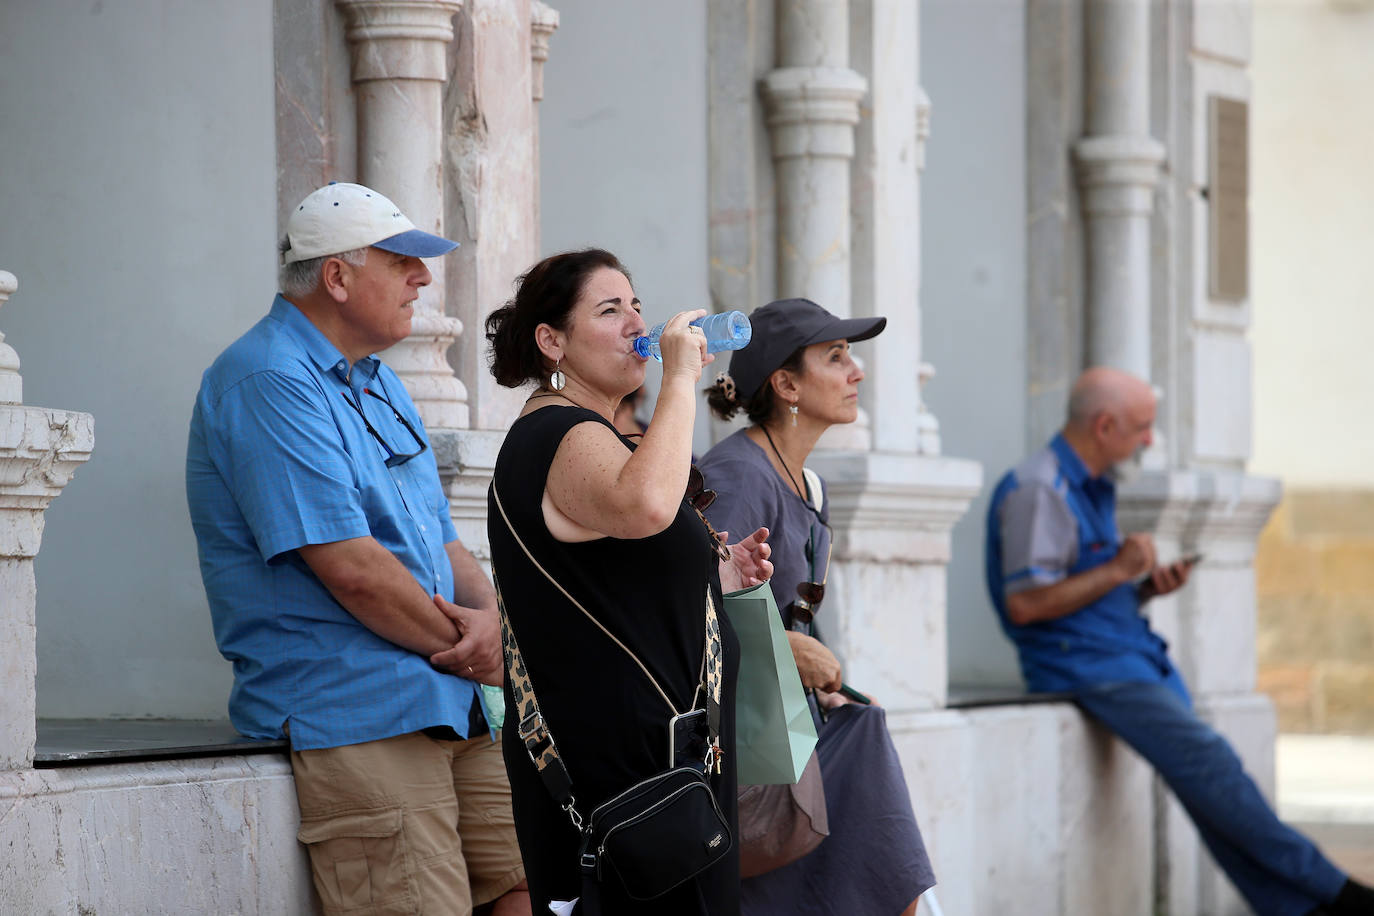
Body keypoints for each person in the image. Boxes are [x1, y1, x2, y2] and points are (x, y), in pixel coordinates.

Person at [186, 182, 529, 916]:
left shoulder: (378, 382)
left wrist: (493, 619)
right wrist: (472, 647)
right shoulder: (268, 377)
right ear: (337, 278)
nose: (424, 278)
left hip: (451, 698)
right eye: (401, 260)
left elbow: (442, 540)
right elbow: (352, 569)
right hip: (358, 708)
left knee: (527, 883)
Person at [985, 366, 1374, 916]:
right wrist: (1118, 570)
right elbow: (1026, 605)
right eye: (1142, 427)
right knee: (1213, 767)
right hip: (1088, 668)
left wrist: (1140, 586)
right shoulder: (1040, 488)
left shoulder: (1091, 485)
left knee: (1212, 794)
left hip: (1124, 657)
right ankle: (1341, 895)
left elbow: (1077, 592)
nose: (1149, 440)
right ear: (1104, 425)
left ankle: (1302, 907)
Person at [484, 249, 773, 915]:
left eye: (636, 305)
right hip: (626, 773)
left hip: (665, 768)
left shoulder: (599, 435)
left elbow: (621, 570)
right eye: (609, 310)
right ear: (552, 341)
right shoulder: (558, 431)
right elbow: (644, 507)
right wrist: (678, 381)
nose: (635, 322)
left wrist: (718, 575)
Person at [698, 298, 936, 916]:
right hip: (747, 749)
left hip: (798, 727)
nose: (856, 371)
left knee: (893, 878)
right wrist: (785, 652)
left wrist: (834, 687)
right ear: (786, 384)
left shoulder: (809, 483)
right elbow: (689, 608)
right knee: (888, 877)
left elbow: (790, 615)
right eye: (836, 357)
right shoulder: (739, 475)